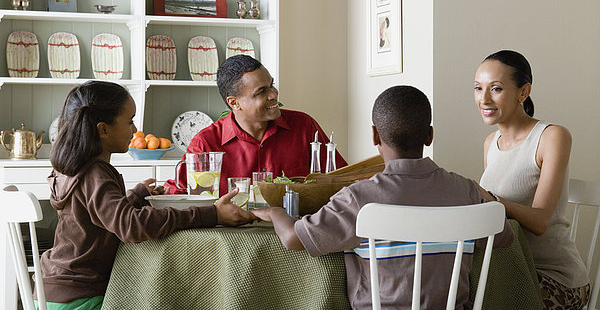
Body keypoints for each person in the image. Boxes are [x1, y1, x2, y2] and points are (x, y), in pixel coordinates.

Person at [252, 85, 514, 309]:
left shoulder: (359, 197)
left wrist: (274, 211)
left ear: (375, 135)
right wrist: (480, 191)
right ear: (430, 135)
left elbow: (293, 239)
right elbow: (504, 238)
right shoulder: (463, 191)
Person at [38, 81, 256, 309]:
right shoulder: (96, 172)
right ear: (103, 129)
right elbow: (132, 226)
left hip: (56, 288)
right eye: (130, 121)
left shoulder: (72, 168)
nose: (134, 130)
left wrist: (137, 195)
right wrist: (211, 214)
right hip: (83, 296)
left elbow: (98, 216)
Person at [473, 50, 589, 310]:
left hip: (555, 278)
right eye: (479, 88)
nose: (484, 99)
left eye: (496, 89)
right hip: (507, 270)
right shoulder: (490, 144)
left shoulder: (552, 136)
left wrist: (491, 199)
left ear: (523, 92)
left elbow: (539, 221)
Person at [172, 55, 347, 196]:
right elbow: (177, 193)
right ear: (234, 103)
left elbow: (342, 179)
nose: (273, 95)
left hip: (297, 230)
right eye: (262, 91)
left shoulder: (304, 126)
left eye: (271, 85)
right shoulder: (206, 143)